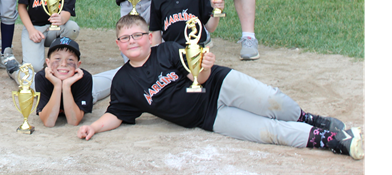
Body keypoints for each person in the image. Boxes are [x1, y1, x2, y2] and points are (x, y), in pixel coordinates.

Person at [76, 14, 364, 161]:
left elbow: (199, 80)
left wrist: (206, 67)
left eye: (137, 35)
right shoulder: (124, 82)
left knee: (273, 103)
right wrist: (95, 127)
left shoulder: (167, 50)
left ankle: (310, 119)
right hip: (209, 118)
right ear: (118, 45)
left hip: (220, 84)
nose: (132, 42)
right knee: (268, 132)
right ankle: (335, 141)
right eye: (125, 39)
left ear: (149, 37)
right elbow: (117, 112)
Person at [35, 38, 119, 128]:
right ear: (48, 62)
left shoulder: (84, 78)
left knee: (115, 76)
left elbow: (73, 121)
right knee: (26, 78)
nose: (63, 64)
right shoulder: (42, 77)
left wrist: (66, 86)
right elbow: (48, 122)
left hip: (89, 90)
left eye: (70, 59)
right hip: (54, 82)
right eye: (58, 58)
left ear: (78, 64)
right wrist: (57, 85)